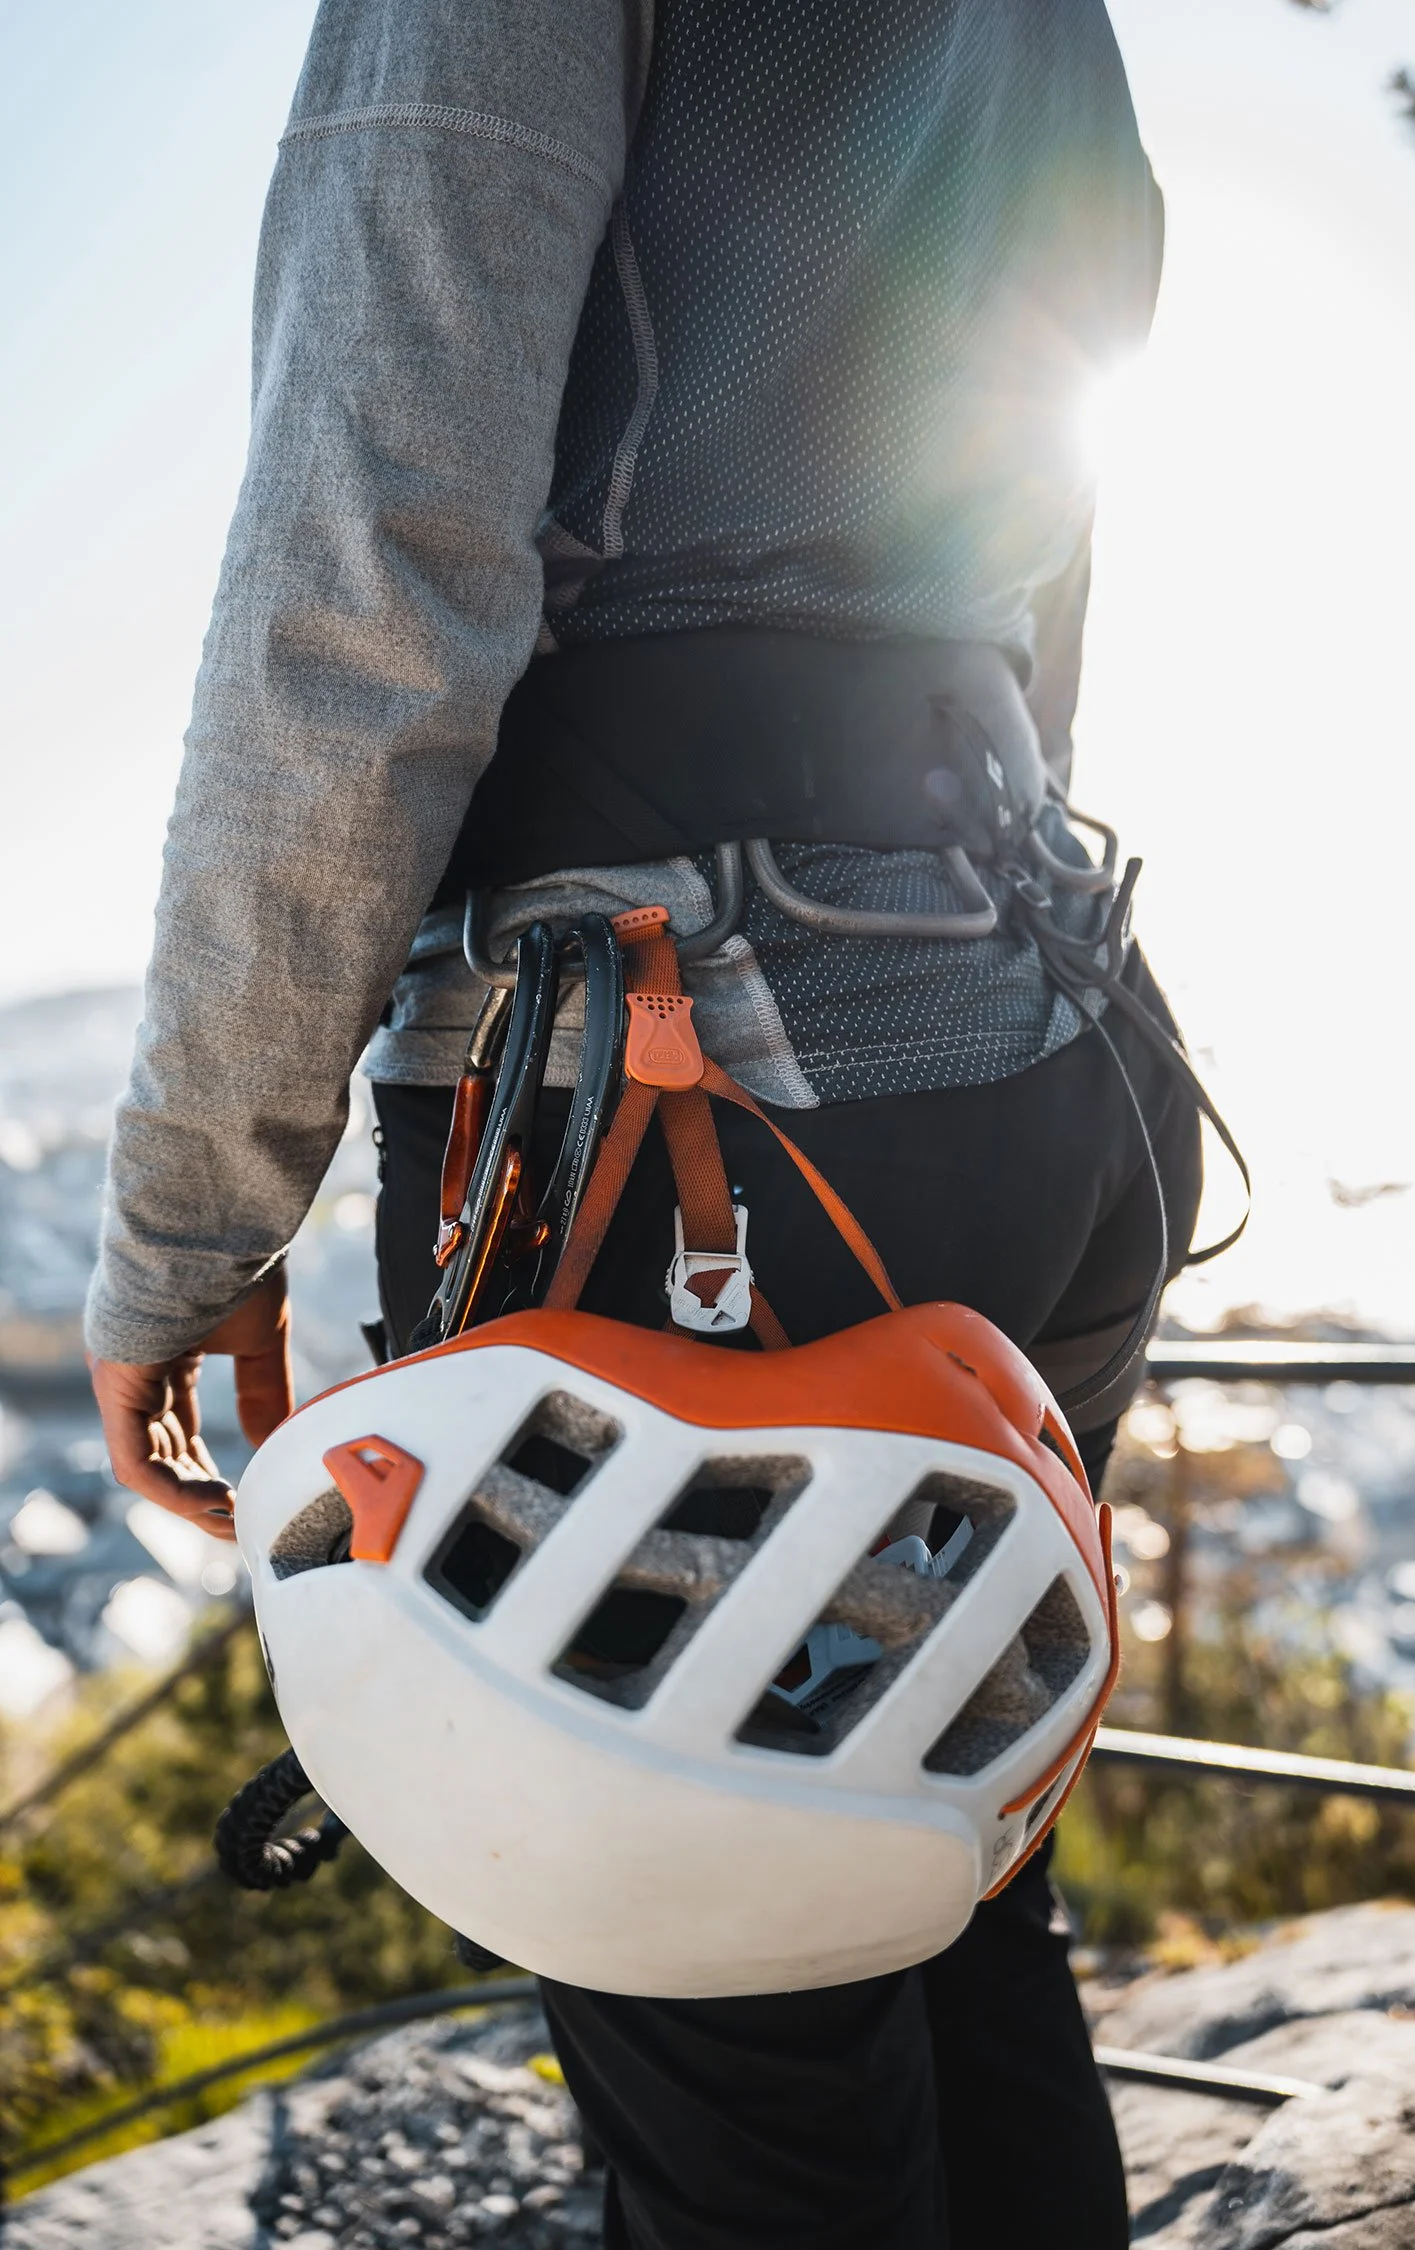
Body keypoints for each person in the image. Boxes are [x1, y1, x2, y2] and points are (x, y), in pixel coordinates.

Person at [88, 4, 1203, 2243]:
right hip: (1048, 1022)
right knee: (952, 1884)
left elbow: (367, 577)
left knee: (731, 2022)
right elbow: (1046, 463)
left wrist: (190, 1226)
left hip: (685, 1098)